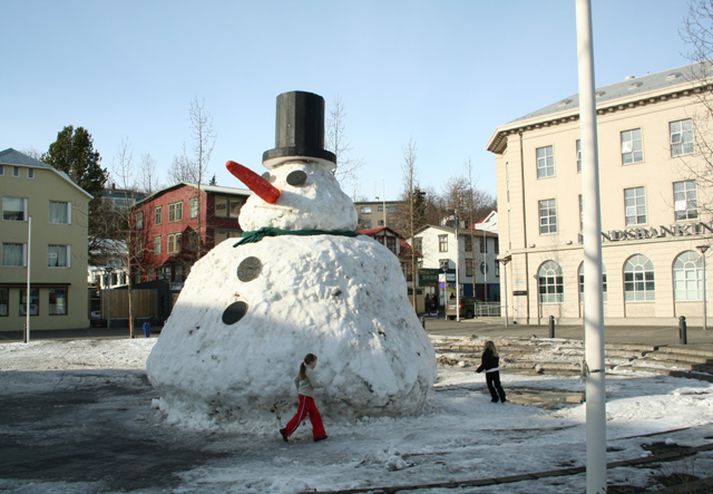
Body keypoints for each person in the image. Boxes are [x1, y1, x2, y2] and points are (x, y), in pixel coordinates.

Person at [280, 353, 328, 442]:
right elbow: (314, 384)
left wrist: (299, 391)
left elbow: (296, 380)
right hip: (306, 397)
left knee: (315, 416)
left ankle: (319, 434)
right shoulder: (309, 371)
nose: (316, 364)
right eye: (315, 362)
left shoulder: (304, 369)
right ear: (311, 362)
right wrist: (323, 385)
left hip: (307, 396)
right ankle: (286, 431)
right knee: (300, 415)